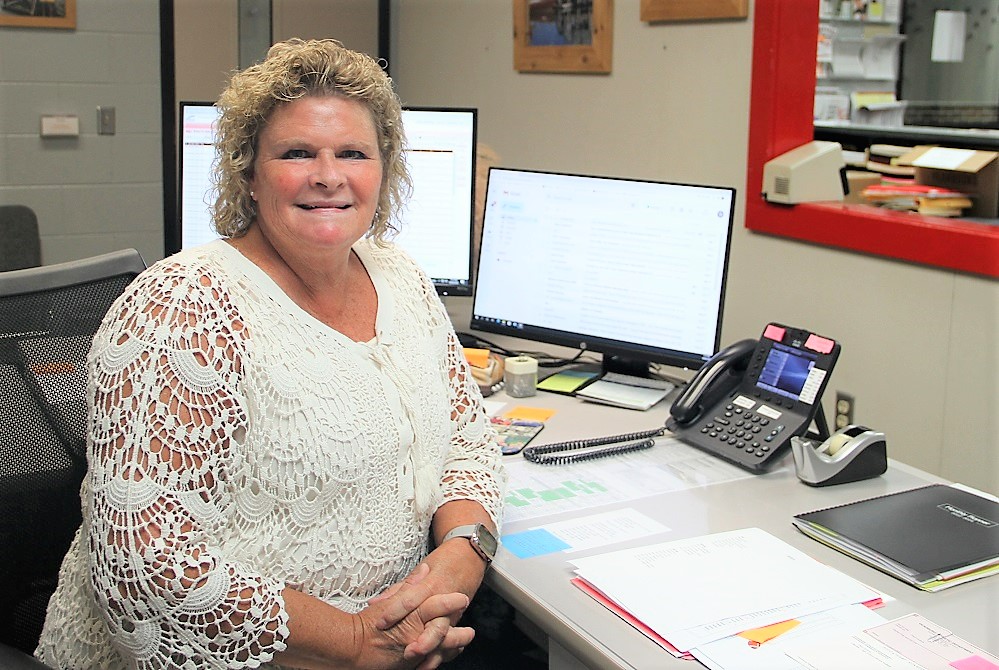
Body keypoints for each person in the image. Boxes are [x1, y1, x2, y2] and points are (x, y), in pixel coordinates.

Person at [35, 38, 506, 670]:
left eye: (353, 153)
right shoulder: (184, 307)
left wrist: (461, 556)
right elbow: (145, 562)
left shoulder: (402, 280)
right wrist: (356, 644)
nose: (329, 175)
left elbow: (466, 439)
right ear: (249, 174)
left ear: (383, 171)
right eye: (296, 153)